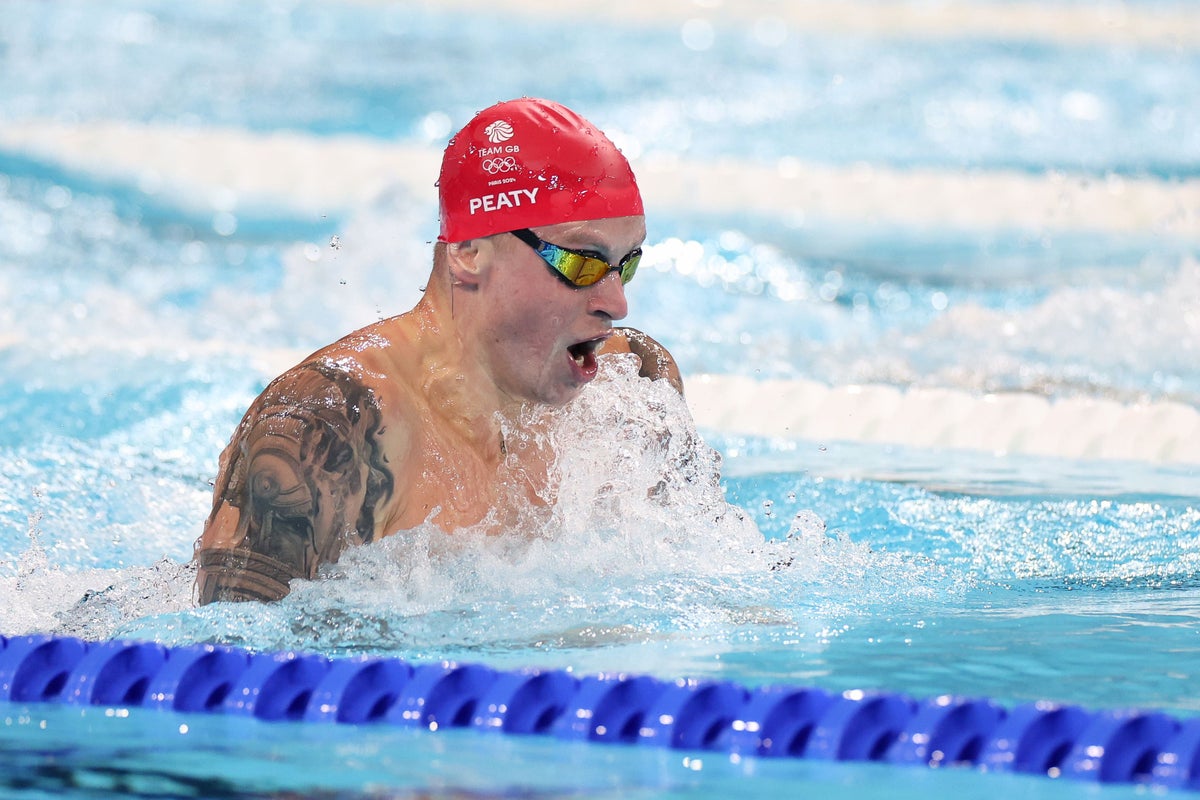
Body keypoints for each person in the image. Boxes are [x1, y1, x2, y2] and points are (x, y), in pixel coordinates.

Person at [195, 97, 683, 603]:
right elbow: (231, 663)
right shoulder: (328, 429)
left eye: (626, 264)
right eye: (583, 263)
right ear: (469, 252)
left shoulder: (635, 386)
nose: (617, 303)